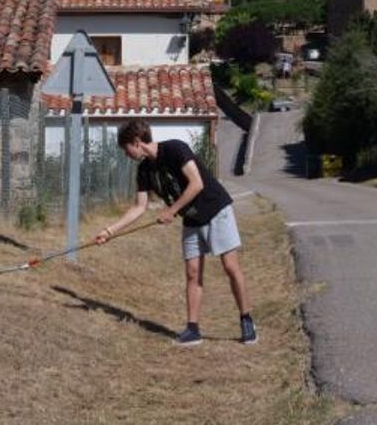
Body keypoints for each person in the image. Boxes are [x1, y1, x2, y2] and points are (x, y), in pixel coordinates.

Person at [96, 120, 257, 346]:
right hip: (191, 219)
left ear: (136, 142)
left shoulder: (174, 149)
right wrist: (109, 231)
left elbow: (197, 183)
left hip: (216, 209)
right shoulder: (144, 170)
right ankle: (192, 329)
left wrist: (171, 210)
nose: (126, 154)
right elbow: (139, 207)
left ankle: (246, 319)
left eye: (126, 149)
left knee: (230, 267)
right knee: (192, 272)